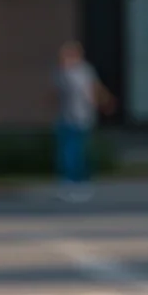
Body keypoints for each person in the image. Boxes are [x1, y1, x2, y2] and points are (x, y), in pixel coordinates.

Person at [54, 41, 115, 201]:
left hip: (82, 118)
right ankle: (68, 182)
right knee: (66, 153)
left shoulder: (85, 71)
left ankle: (82, 182)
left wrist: (105, 102)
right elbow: (56, 94)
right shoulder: (62, 73)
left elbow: (95, 89)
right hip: (66, 118)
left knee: (79, 152)